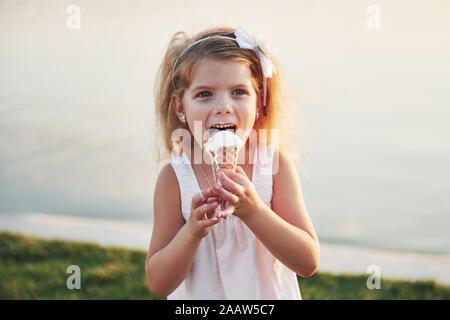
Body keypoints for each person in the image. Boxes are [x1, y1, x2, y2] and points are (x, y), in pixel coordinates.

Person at [145, 25, 319, 299]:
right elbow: (158, 283)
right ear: (180, 107)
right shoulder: (174, 179)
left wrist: (254, 211)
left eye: (238, 91)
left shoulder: (273, 166)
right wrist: (191, 232)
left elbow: (307, 261)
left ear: (259, 99)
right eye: (204, 94)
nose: (223, 106)